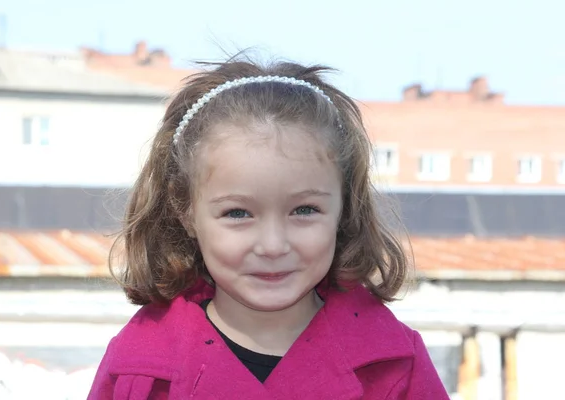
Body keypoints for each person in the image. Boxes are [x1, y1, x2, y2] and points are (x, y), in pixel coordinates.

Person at [88, 57, 450, 399]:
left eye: (304, 210)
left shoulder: (397, 363)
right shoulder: (136, 369)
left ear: (344, 206)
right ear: (185, 211)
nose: (273, 245)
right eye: (238, 213)